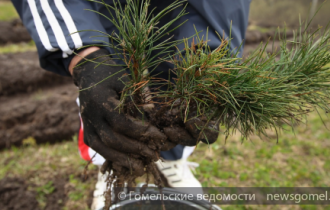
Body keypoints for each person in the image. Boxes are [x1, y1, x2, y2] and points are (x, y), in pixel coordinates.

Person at [11, 1, 250, 209]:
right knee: (107, 89)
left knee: (174, 81)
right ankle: (113, 166)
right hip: (99, 8)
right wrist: (83, 54)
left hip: (175, 7)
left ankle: (171, 160)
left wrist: (209, 56)